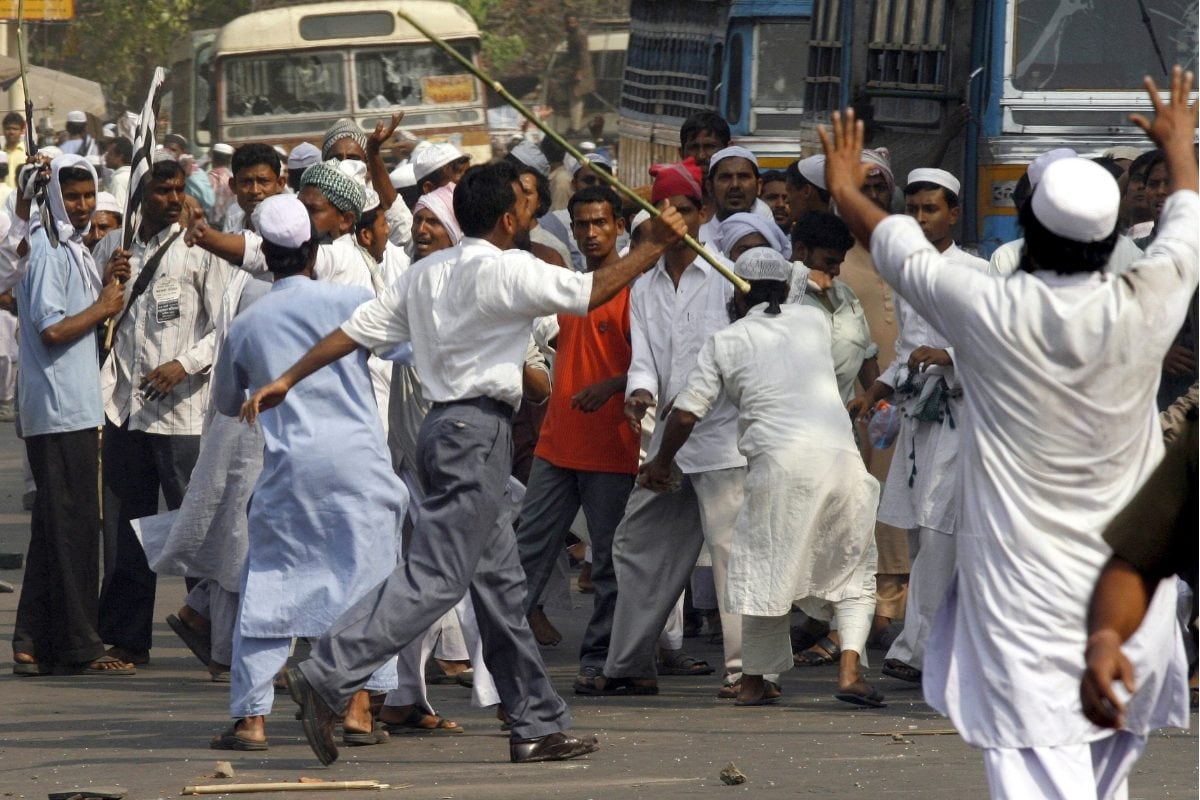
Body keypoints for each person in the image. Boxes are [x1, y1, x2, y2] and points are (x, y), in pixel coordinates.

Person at [818, 66, 1196, 800]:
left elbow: (898, 246)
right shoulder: (1151, 297)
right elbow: (1189, 217)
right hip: (1130, 591)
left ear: (1026, 227)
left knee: (1035, 768)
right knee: (1097, 773)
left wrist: (843, 187)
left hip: (1024, 597)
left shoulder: (988, 309)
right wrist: (1179, 141)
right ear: (1115, 234)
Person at [239, 160, 687, 766]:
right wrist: (654, 245)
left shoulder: (427, 273)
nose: (533, 210)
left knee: (502, 589)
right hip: (473, 433)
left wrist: (288, 377)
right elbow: (592, 292)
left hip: (448, 430)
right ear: (507, 218)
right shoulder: (508, 268)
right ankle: (327, 673)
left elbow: (354, 332)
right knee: (437, 579)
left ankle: (535, 723)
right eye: (526, 203)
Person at [641, 247, 883, 708]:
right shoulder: (811, 323)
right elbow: (795, 282)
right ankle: (850, 671)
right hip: (843, 463)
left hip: (781, 468)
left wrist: (660, 463)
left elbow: (687, 414)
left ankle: (754, 679)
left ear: (737, 293)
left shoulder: (727, 340)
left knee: (760, 571)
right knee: (853, 567)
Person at [207, 193, 404, 751]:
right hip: (360, 462)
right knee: (367, 582)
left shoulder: (248, 322)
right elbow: (403, 347)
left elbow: (225, 403)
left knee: (269, 586)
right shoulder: (352, 299)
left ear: (266, 254)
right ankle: (360, 709)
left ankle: (252, 719)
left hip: (293, 469)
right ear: (314, 250)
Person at [595, 161, 749, 699]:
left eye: (683, 209)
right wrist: (640, 392)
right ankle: (631, 663)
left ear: (702, 214)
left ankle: (745, 672)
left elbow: (739, 363)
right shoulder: (645, 286)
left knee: (731, 556)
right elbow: (646, 361)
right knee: (636, 542)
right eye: (664, 211)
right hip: (667, 439)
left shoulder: (732, 280)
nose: (675, 219)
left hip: (723, 438)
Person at [848, 167, 989, 685]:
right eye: (914, 209)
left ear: (954, 213)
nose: (922, 218)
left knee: (940, 529)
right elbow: (907, 353)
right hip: (917, 420)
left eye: (931, 209)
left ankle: (918, 647)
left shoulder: (976, 272)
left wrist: (948, 354)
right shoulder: (907, 278)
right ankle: (935, 643)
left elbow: (994, 341)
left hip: (960, 419)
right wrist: (876, 392)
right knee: (919, 531)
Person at [94, 158, 235, 666]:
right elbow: (97, 320)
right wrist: (109, 285)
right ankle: (128, 638)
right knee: (127, 531)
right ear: (140, 194)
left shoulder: (199, 247)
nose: (174, 198)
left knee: (195, 527)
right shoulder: (115, 247)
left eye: (179, 189)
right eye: (162, 190)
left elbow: (226, 326)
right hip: (125, 408)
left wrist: (185, 363)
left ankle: (218, 636)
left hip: (184, 413)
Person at [514, 184, 644, 693]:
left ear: (618, 227)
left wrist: (611, 385)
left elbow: (653, 364)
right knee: (527, 553)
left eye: (599, 223)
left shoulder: (636, 292)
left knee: (608, 562)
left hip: (611, 448)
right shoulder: (568, 286)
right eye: (582, 224)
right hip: (557, 444)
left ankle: (597, 660)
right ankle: (496, 655)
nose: (591, 233)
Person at [11, 155, 132, 677]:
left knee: (54, 527)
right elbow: (51, 329)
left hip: (74, 405)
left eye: (89, 196)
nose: (83, 207)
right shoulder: (45, 247)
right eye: (73, 197)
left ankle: (32, 639)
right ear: (56, 197)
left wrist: (104, 282)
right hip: (59, 410)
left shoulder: (70, 247)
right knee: (75, 529)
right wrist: (104, 307)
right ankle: (81, 645)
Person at [792, 212, 878, 406]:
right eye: (829, 262)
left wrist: (878, 403)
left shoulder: (845, 295)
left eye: (839, 263)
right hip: (796, 421)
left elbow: (866, 354)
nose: (836, 271)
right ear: (800, 251)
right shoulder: (780, 298)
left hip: (843, 423)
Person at [550, 14, 594, 135]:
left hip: (580, 71)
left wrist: (580, 72)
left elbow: (583, 55)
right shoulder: (571, 36)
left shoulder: (580, 35)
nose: (571, 25)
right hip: (571, 69)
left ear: (577, 23)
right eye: (568, 23)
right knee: (568, 93)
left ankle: (575, 127)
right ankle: (572, 123)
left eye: (573, 22)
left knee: (575, 96)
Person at [103, 137, 132, 214]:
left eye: (110, 153)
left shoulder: (119, 180)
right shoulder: (132, 175)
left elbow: (118, 212)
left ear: (120, 157)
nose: (106, 156)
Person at [3, 112, 26, 189]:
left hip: (21, 199)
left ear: (22, 130)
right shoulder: (1, 154)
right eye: (8, 128)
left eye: (15, 129)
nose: (11, 132)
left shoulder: (27, 154)